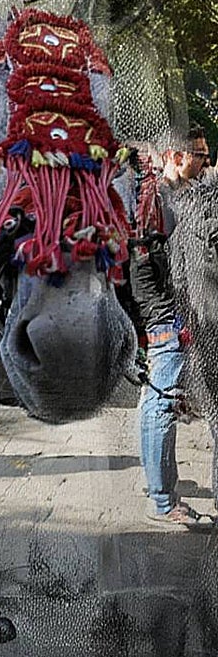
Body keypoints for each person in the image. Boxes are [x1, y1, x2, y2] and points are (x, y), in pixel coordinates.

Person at [130, 126, 212, 527]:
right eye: (200, 155)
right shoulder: (159, 199)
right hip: (166, 312)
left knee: (154, 399)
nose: (206, 163)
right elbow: (144, 262)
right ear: (176, 157)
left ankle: (156, 489)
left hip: (160, 310)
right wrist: (168, 311)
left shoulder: (159, 195)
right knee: (162, 401)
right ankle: (163, 502)